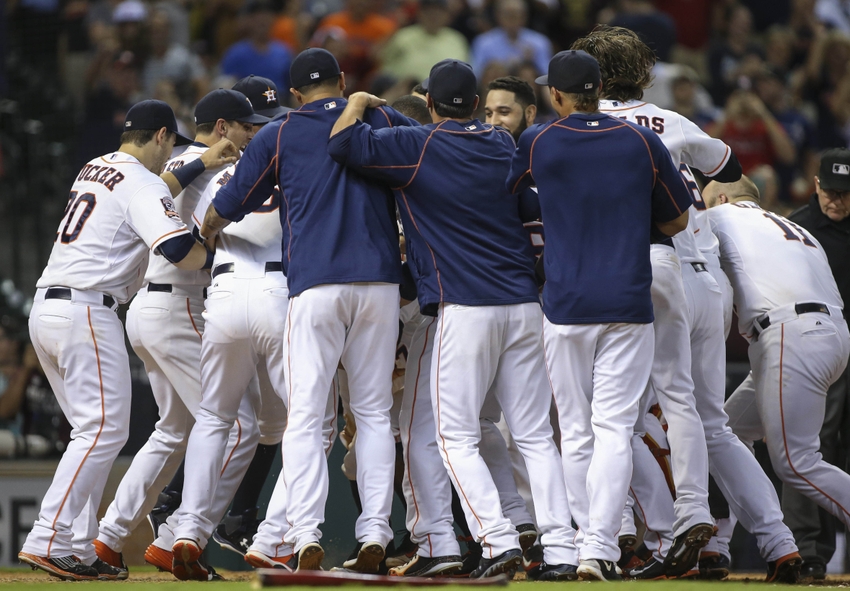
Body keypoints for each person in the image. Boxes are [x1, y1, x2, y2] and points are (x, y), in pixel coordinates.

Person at [328, 58, 579, 582]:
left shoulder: (419, 146)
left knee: (453, 436)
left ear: (434, 106)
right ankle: (560, 549)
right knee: (534, 435)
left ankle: (497, 538)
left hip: (468, 308)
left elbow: (343, 144)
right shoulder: (502, 143)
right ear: (475, 104)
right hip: (525, 306)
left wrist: (357, 103)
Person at [572, 24, 802, 582]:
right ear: (643, 73)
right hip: (705, 279)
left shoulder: (587, 127)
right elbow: (729, 169)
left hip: (644, 274)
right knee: (708, 420)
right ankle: (777, 544)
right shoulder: (672, 122)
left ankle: (655, 531)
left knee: (618, 419)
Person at [197, 48, 410, 573]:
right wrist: (366, 105)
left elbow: (227, 207)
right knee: (375, 413)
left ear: (293, 94)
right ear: (341, 80)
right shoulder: (378, 117)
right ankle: (376, 533)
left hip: (314, 286)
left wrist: (206, 232)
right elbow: (425, 133)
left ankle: (305, 531)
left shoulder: (278, 133)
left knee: (307, 415)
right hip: (380, 284)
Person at [506, 49, 692, 582]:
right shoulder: (640, 140)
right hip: (628, 303)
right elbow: (677, 221)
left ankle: (588, 541)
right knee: (614, 429)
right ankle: (600, 548)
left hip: (566, 305)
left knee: (576, 430)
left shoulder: (538, 140)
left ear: (558, 95)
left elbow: (505, 199)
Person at [17, 100, 216, 581]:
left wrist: (201, 163)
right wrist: (212, 251)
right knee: (103, 431)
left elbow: (149, 192)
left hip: (49, 307)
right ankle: (49, 537)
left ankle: (80, 547)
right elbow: (174, 248)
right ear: (163, 137)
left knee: (91, 432)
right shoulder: (141, 182)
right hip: (87, 309)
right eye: (173, 144)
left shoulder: (97, 166)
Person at [93, 89, 266, 578]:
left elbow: (165, 185)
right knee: (238, 425)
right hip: (179, 303)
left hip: (147, 308)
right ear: (225, 127)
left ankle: (109, 538)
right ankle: (177, 538)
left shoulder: (183, 165)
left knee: (173, 430)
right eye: (245, 124)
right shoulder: (206, 165)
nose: (253, 132)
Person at [705, 176, 850, 585]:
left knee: (797, 463)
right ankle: (717, 543)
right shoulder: (796, 227)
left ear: (720, 197)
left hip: (789, 333)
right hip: (829, 333)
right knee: (724, 432)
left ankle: (725, 539)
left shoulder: (718, 214)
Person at [782, 148, 850, 581]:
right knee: (810, 443)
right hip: (815, 346)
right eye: (832, 191)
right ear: (817, 184)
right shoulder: (796, 229)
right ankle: (809, 551)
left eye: (846, 195)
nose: (837, 201)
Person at [379, 0, 470, 82]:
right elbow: (383, 64)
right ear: (419, 13)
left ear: (447, 15)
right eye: (428, 11)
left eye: (438, 12)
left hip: (446, 95)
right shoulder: (403, 36)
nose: (433, 16)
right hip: (406, 95)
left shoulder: (457, 40)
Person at [221, 0, 294, 95]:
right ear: (249, 20)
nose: (262, 21)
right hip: (248, 104)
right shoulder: (235, 54)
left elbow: (292, 84)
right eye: (257, 17)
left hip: (280, 103)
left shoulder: (284, 52)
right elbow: (226, 85)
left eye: (266, 16)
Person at [469, 0, 552, 78]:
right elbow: (476, 75)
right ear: (498, 15)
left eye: (517, 15)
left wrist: (532, 62)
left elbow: (546, 76)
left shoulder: (539, 42)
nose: (512, 20)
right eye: (508, 15)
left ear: (525, 16)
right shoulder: (483, 42)